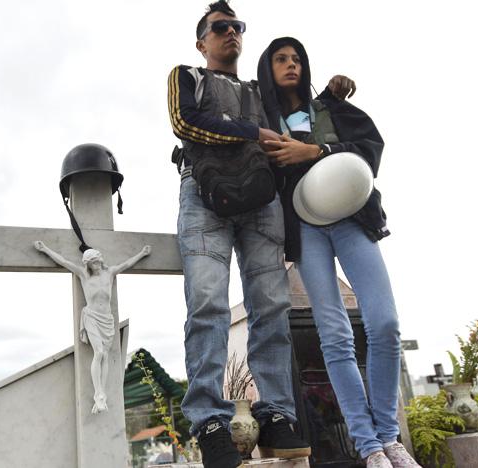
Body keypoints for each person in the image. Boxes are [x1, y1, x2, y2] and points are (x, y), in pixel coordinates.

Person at [167, 2, 354, 467]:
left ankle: (276, 414)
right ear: (202, 41)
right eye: (220, 27)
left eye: (237, 26)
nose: (230, 33)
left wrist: (332, 94)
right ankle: (210, 421)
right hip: (203, 192)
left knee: (271, 304)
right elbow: (186, 121)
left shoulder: (258, 90)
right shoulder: (186, 75)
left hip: (262, 197)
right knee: (208, 302)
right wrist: (253, 132)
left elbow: (297, 115)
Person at [255, 37, 420, 468]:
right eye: (281, 59)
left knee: (384, 323)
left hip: (351, 219)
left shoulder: (328, 108)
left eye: (297, 59)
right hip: (305, 228)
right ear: (266, 67)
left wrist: (317, 150)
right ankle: (369, 448)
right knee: (334, 335)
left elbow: (368, 150)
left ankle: (390, 438)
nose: (291, 65)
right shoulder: (261, 117)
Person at [33, 241, 151, 413]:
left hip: (107, 319)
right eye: (92, 263)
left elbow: (126, 264)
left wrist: (142, 253)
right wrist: (45, 249)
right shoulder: (84, 275)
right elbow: (64, 261)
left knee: (105, 356)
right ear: (87, 264)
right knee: (99, 352)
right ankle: (98, 395)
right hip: (92, 317)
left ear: (100, 260)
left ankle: (102, 395)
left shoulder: (109, 273)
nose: (95, 265)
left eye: (97, 261)